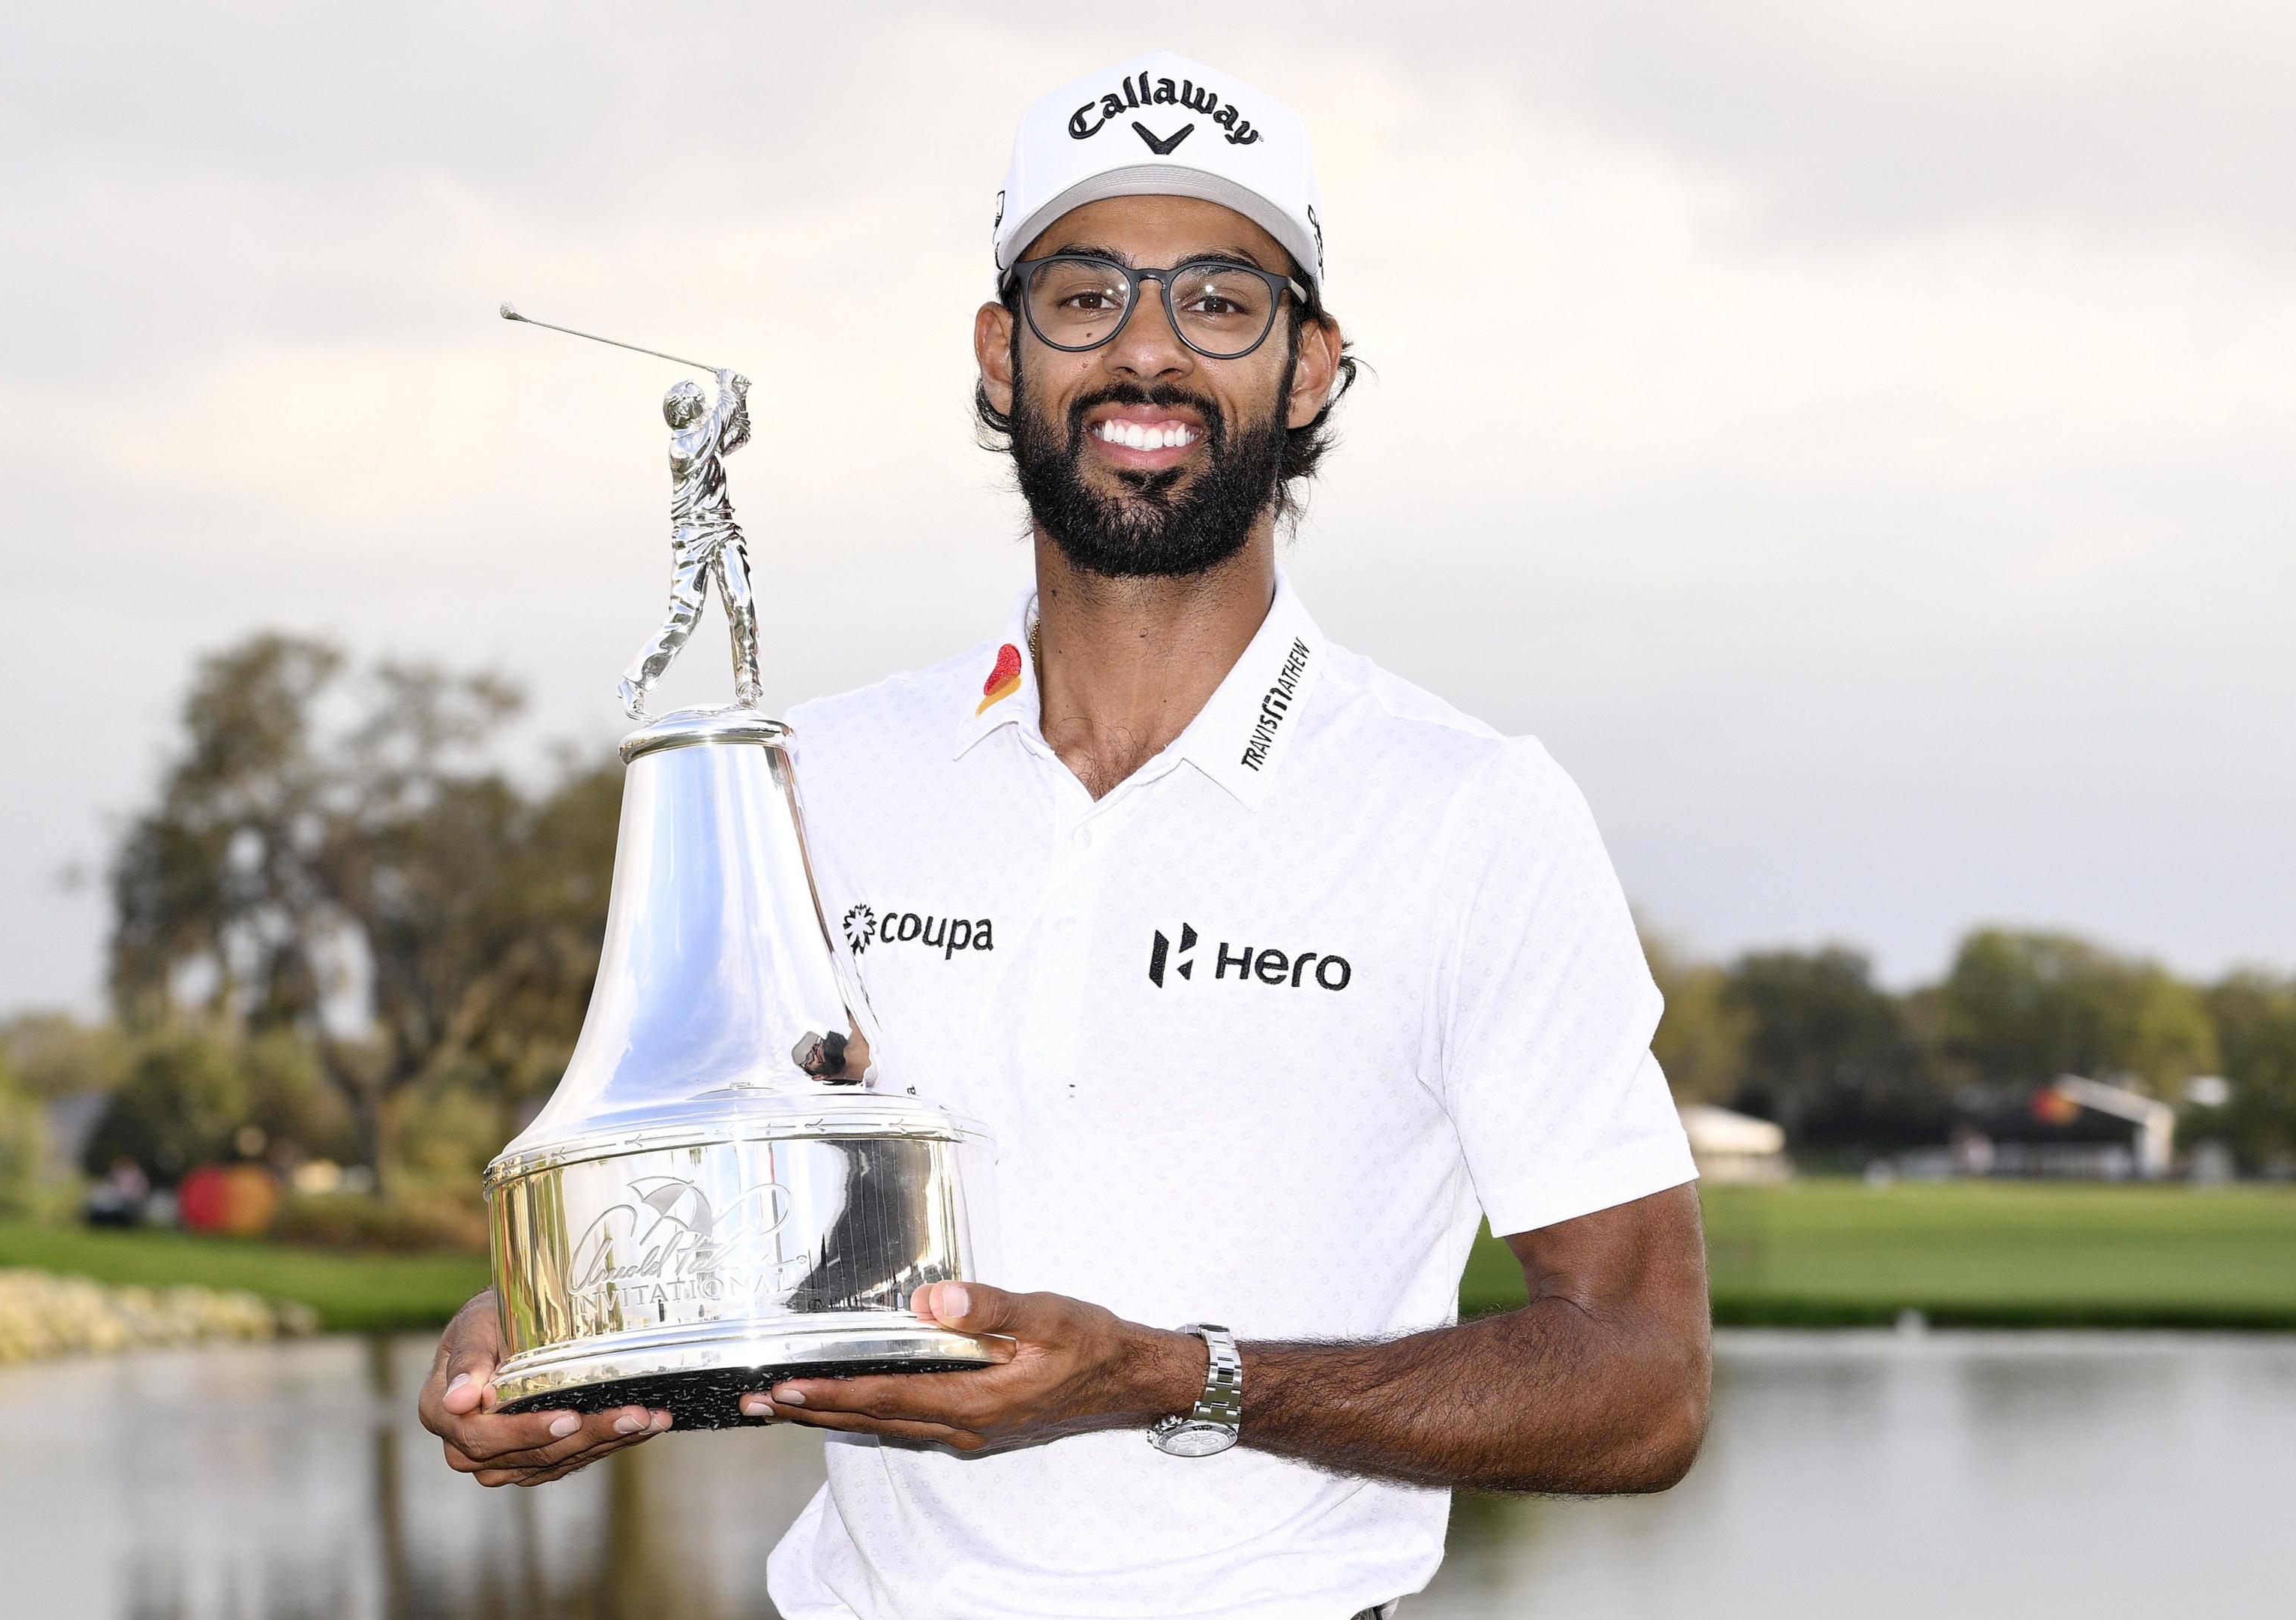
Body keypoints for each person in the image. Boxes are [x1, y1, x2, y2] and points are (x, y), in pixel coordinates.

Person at [423, 49, 1709, 1620]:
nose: (1146, 354)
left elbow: (1643, 1382)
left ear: (1311, 364)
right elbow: (725, 1198)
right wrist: (552, 1330)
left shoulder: (1469, 807)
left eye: (1220, 301)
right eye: (1084, 297)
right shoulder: (817, 771)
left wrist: (1168, 1376)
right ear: (1001, 352)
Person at [619, 367, 759, 720]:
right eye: (701, 399)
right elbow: (716, 427)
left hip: (724, 530)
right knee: (684, 615)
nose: (706, 402)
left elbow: (737, 436)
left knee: (742, 603)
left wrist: (739, 397)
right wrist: (726, 390)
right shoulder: (683, 448)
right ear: (687, 410)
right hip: (692, 536)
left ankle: (748, 683)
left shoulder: (706, 441)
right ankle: (635, 682)